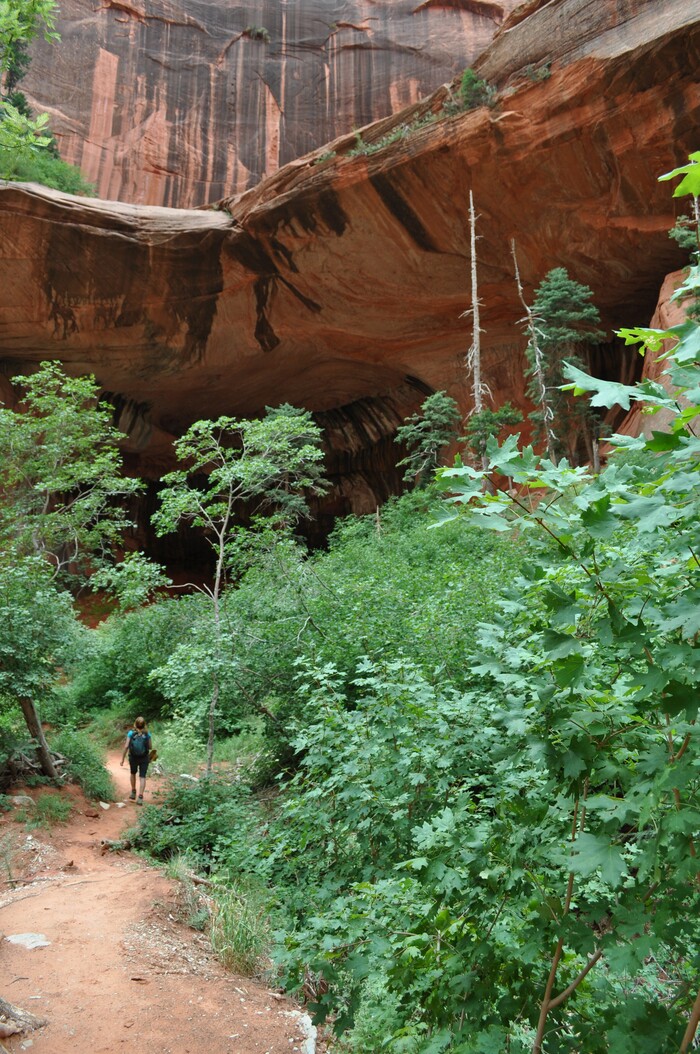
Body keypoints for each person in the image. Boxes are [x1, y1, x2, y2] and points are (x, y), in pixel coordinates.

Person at [120, 716, 153, 805]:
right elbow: (150, 747)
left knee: (133, 773)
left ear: (135, 724)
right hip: (144, 757)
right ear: (144, 724)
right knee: (142, 776)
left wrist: (122, 759)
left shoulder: (131, 733)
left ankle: (133, 792)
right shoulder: (147, 733)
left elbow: (126, 746)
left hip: (133, 757)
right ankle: (140, 797)